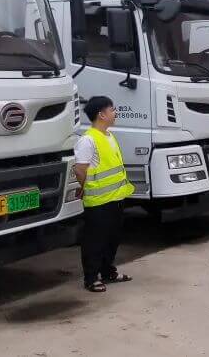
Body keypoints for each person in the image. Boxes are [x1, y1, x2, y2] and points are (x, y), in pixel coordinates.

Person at [74, 95, 135, 293]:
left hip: (116, 198)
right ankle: (91, 278)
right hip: (99, 201)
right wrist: (85, 187)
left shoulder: (109, 136)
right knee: (95, 242)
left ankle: (108, 272)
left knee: (112, 239)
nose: (115, 113)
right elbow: (80, 169)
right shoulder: (88, 140)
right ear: (101, 114)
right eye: (112, 109)